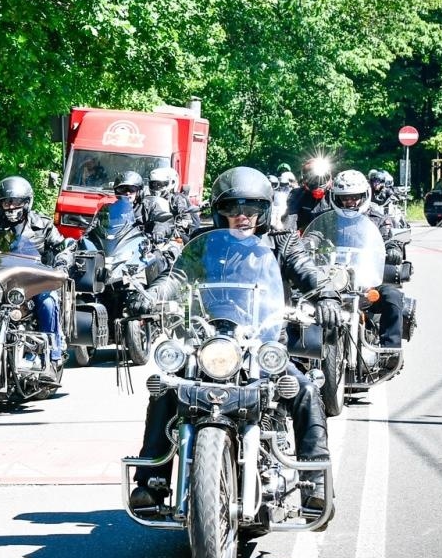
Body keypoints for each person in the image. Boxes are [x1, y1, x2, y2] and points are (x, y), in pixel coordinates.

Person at [127, 166, 341, 521]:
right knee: (167, 387)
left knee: (303, 388)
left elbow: (306, 269)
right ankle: (152, 478)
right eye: (232, 208)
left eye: (252, 208)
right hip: (208, 341)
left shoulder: (283, 242)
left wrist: (326, 296)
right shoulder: (202, 242)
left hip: (261, 342)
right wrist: (152, 295)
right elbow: (176, 277)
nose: (242, 216)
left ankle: (316, 481)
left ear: (265, 210)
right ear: (218, 210)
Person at [0, 175, 72, 363]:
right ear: (0, 204)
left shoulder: (42, 224)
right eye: (6, 202)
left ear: (27, 202)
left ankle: (53, 352)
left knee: (48, 301)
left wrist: (62, 264)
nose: (11, 206)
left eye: (16, 202)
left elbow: (63, 247)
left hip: (34, 280)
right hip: (2, 280)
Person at [329, 170, 406, 356]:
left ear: (364, 195)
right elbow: (317, 234)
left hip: (367, 281)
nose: (350, 202)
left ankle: (390, 351)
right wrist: (309, 242)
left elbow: (390, 237)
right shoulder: (329, 219)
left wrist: (394, 248)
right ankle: (305, 355)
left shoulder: (379, 218)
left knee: (392, 297)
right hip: (335, 281)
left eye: (355, 197)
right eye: (345, 198)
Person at [148, 166, 197, 241]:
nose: (156, 188)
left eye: (159, 184)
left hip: (172, 233)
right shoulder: (148, 199)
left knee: (186, 244)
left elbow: (184, 212)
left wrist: (184, 220)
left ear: (171, 183)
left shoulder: (177, 198)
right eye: (153, 185)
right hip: (151, 232)